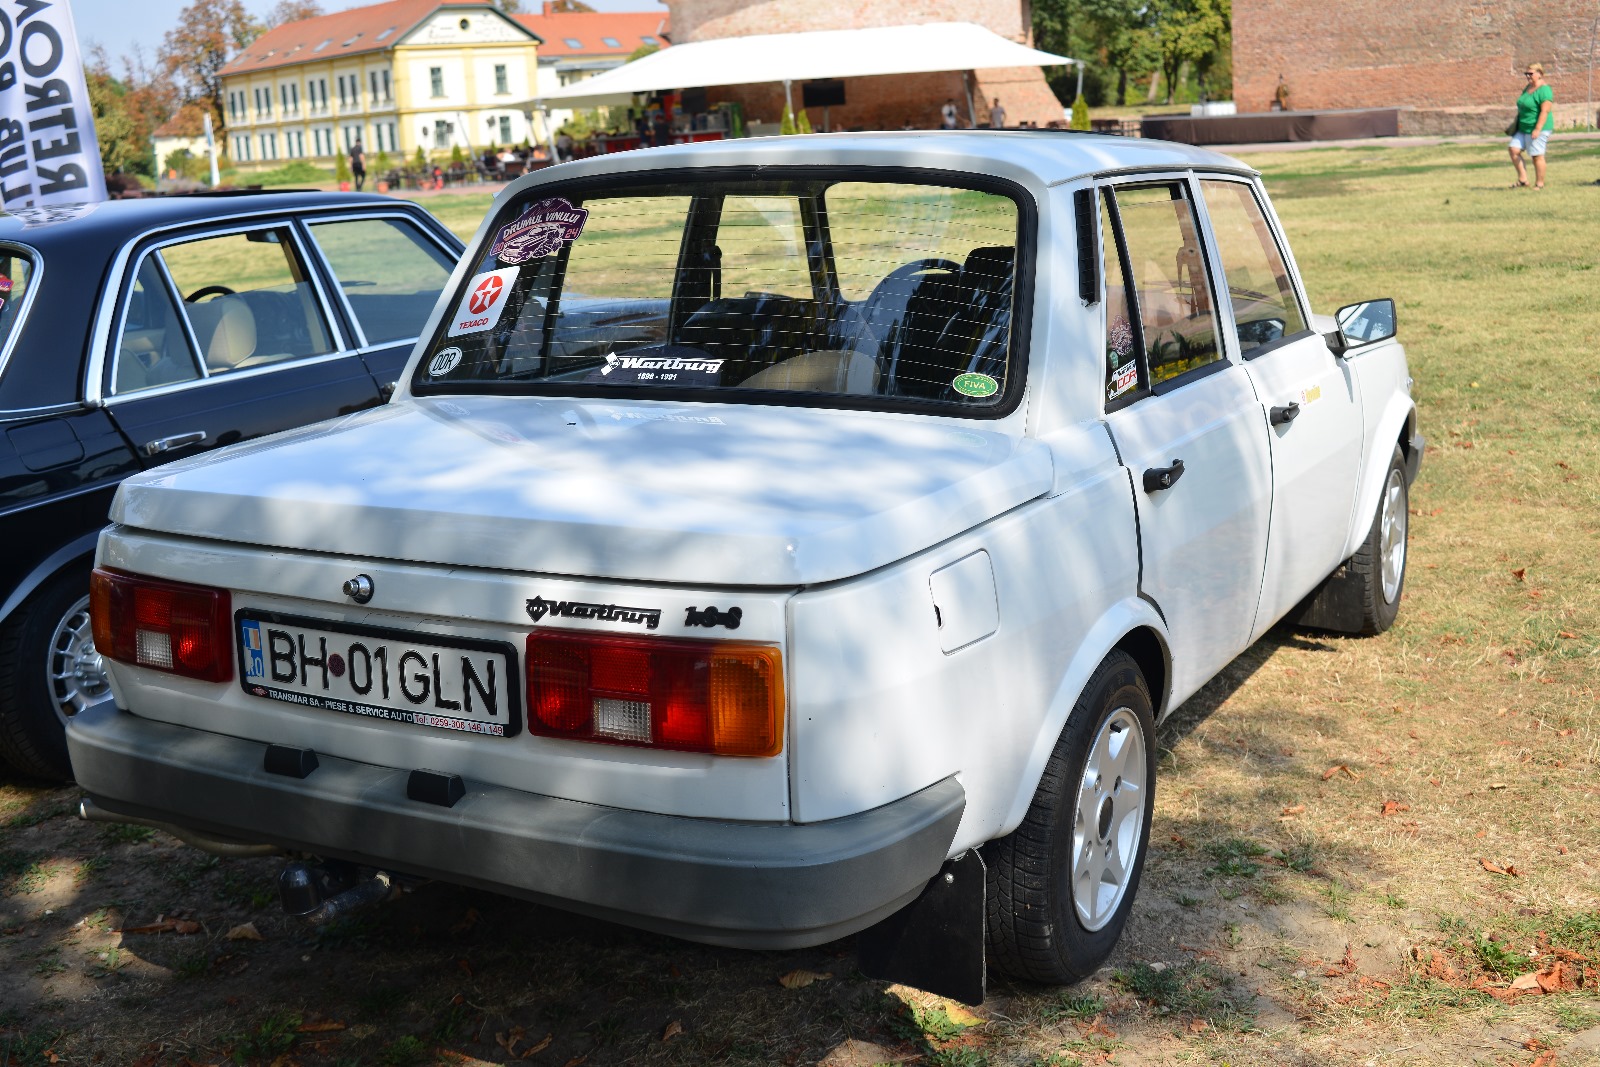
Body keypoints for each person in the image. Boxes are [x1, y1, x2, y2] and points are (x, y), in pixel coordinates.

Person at [1509, 63, 1554, 190]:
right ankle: (1523, 179)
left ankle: (1539, 183)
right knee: (1513, 149)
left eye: (1531, 74)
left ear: (1540, 74)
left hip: (1538, 128)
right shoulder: (1528, 87)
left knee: (1537, 156)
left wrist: (1538, 129)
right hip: (1523, 128)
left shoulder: (1544, 90)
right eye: (1526, 74)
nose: (1528, 76)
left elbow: (1545, 111)